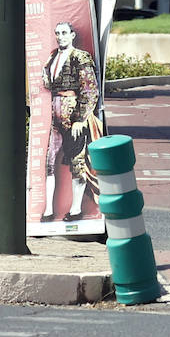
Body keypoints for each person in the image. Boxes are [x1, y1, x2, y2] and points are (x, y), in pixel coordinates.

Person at [40, 21, 100, 223]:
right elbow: (48, 84)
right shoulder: (53, 57)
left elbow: (90, 90)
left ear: (73, 35)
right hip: (56, 116)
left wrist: (80, 119)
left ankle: (75, 209)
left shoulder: (80, 57)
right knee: (50, 162)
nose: (60, 37)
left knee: (77, 161)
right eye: (57, 33)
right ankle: (48, 210)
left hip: (73, 117)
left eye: (64, 33)